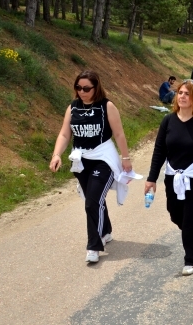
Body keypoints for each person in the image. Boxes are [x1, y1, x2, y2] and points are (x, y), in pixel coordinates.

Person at [49, 71, 134, 264]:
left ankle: (93, 246)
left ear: (96, 88)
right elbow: (64, 134)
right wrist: (56, 155)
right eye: (78, 88)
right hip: (81, 159)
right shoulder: (73, 108)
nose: (82, 92)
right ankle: (105, 231)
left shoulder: (107, 106)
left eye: (86, 88)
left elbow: (119, 134)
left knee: (92, 201)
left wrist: (125, 157)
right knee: (93, 199)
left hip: (103, 158)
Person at [146, 80, 193, 275]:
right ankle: (192, 234)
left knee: (191, 219)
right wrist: (151, 178)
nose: (182, 96)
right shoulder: (168, 121)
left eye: (187, 93)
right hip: (173, 178)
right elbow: (159, 151)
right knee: (175, 213)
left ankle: (192, 259)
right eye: (180, 92)